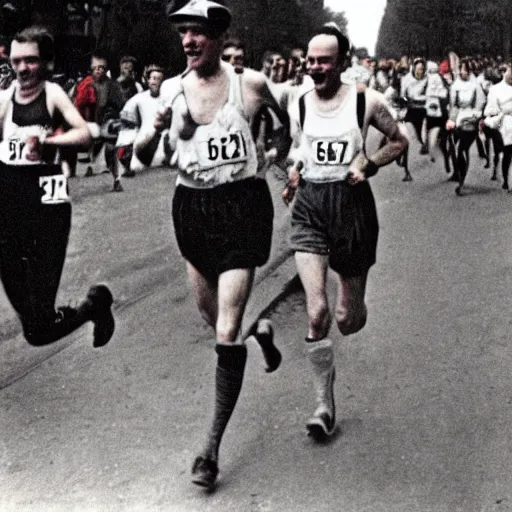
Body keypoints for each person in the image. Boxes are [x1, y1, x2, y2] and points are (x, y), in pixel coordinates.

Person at [138, 0, 291, 491]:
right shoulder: (170, 90)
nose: (188, 40)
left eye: (198, 32)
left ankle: (210, 448)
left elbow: (286, 124)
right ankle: (260, 331)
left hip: (242, 209)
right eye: (183, 32)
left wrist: (274, 156)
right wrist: (155, 132)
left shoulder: (250, 86)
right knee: (217, 323)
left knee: (225, 332)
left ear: (219, 37)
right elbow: (142, 154)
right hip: (193, 211)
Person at [283, 23, 408, 440]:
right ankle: (323, 405)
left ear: (341, 63)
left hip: (352, 210)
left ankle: (357, 303)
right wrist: (293, 173)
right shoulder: (299, 101)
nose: (315, 67)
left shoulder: (365, 101)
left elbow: (399, 141)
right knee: (317, 312)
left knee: (347, 320)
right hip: (311, 209)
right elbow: (297, 149)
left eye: (324, 61)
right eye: (311, 60)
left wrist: (368, 164)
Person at [0, 26, 115, 348]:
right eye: (17, 60)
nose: (22, 68)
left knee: (37, 332)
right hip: (10, 204)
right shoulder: (5, 99)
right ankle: (87, 309)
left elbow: (84, 133)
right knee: (34, 322)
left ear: (47, 63)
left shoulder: (51, 94)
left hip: (47, 207)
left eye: (31, 61)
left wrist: (49, 141)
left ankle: (95, 303)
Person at [74, 52, 125, 191]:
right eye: (96, 67)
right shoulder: (85, 84)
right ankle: (91, 166)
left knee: (110, 151)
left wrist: (114, 117)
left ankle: (117, 180)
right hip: (93, 122)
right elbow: (77, 102)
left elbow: (120, 104)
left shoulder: (113, 85)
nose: (99, 70)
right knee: (93, 146)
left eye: (102, 67)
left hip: (109, 122)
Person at [117, 64, 168, 174]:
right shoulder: (139, 98)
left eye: (159, 79)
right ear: (148, 81)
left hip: (164, 138)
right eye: (153, 78)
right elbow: (125, 116)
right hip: (144, 138)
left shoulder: (168, 98)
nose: (155, 82)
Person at [445, 58, 486, 195]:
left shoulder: (475, 86)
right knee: (454, 149)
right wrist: (452, 119)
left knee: (461, 149)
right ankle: (457, 172)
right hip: (457, 119)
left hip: (470, 122)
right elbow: (453, 104)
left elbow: (480, 103)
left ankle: (461, 183)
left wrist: (474, 116)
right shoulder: (454, 86)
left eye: (465, 70)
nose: (462, 72)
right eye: (461, 69)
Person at [484, 62, 512, 191]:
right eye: (510, 72)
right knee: (506, 153)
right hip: (503, 124)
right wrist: (502, 113)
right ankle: (506, 179)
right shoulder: (495, 89)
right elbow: (490, 111)